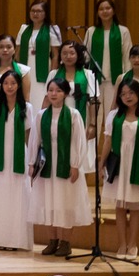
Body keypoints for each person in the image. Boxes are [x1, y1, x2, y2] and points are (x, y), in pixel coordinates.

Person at [30, 78, 90, 259]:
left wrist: (75, 164)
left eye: (58, 90)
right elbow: (35, 139)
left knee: (66, 202)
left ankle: (65, 242)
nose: (53, 94)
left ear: (65, 93)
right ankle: (52, 240)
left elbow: (79, 141)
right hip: (47, 165)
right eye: (50, 90)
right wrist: (31, 163)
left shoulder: (73, 114)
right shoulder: (41, 115)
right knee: (49, 202)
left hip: (66, 164)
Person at [103, 77, 139, 261]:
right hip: (119, 164)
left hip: (137, 164)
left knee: (135, 207)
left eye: (131, 93)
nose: (127, 97)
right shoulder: (114, 116)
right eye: (123, 94)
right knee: (120, 207)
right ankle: (122, 243)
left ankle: (133, 244)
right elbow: (108, 141)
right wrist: (101, 163)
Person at [0, 68, 35, 251]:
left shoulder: (27, 108)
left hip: (19, 156)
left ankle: (16, 240)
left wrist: (31, 159)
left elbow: (29, 134)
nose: (9, 86)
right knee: (0, 198)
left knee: (18, 197)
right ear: (1, 86)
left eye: (13, 83)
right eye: (6, 83)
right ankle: (1, 238)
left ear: (19, 85)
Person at [87, 0, 131, 84]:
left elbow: (127, 56)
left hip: (116, 79)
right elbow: (86, 55)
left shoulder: (123, 31)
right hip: (95, 79)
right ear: (97, 13)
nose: (105, 11)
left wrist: (127, 78)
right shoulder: (91, 31)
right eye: (101, 9)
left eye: (108, 8)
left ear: (113, 11)